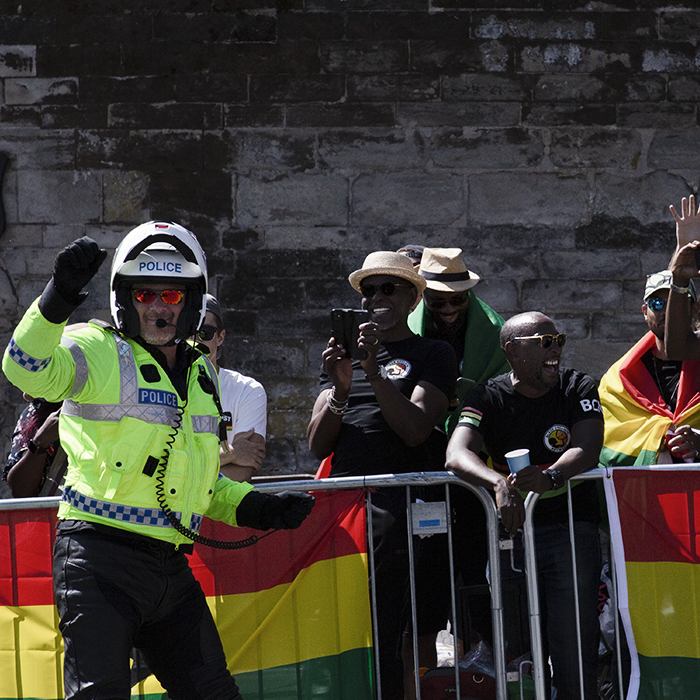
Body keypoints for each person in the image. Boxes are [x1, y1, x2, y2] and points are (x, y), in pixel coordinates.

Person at [2, 222, 314, 700]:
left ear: (191, 301)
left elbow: (197, 481)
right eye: (145, 294)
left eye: (171, 294)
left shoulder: (199, 375)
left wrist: (259, 509)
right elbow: (23, 367)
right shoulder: (97, 348)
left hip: (169, 568)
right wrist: (57, 297)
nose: (158, 306)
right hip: (99, 560)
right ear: (124, 298)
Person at [306, 251, 458, 700]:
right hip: (346, 504)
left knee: (398, 630)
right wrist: (341, 386)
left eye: (389, 287)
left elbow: (414, 429)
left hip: (400, 505)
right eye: (369, 289)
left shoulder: (434, 352)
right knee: (349, 623)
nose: (377, 297)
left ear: (413, 298)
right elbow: (317, 444)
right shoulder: (345, 359)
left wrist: (373, 371)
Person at [445, 312, 603, 700]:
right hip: (513, 539)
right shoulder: (486, 395)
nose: (556, 349)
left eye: (559, 339)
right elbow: (455, 454)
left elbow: (588, 446)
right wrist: (498, 483)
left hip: (570, 532)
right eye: (544, 341)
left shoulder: (578, 385)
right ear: (512, 350)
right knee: (520, 654)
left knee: (574, 647)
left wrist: (550, 477)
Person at [404, 247, 510, 676]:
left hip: (475, 474)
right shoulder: (407, 331)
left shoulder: (495, 330)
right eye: (439, 300)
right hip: (420, 473)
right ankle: (427, 682)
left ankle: (484, 671)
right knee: (424, 591)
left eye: (457, 299)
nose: (449, 308)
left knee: (475, 580)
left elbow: (507, 392)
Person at [599, 269, 700, 467]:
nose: (666, 311)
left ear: (694, 310)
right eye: (657, 304)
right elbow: (609, 443)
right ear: (645, 313)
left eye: (675, 304)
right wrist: (658, 435)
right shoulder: (618, 379)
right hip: (649, 493)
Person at [194, 294, 267, 482]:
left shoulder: (247, 390)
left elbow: (240, 475)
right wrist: (231, 453)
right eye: (187, 331)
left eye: (205, 333)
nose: (195, 341)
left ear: (220, 337)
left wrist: (181, 477)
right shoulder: (159, 386)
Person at [3, 395, 66, 497]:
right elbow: (21, 491)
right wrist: (41, 440)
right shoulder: (35, 414)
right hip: (52, 508)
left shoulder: (97, 412)